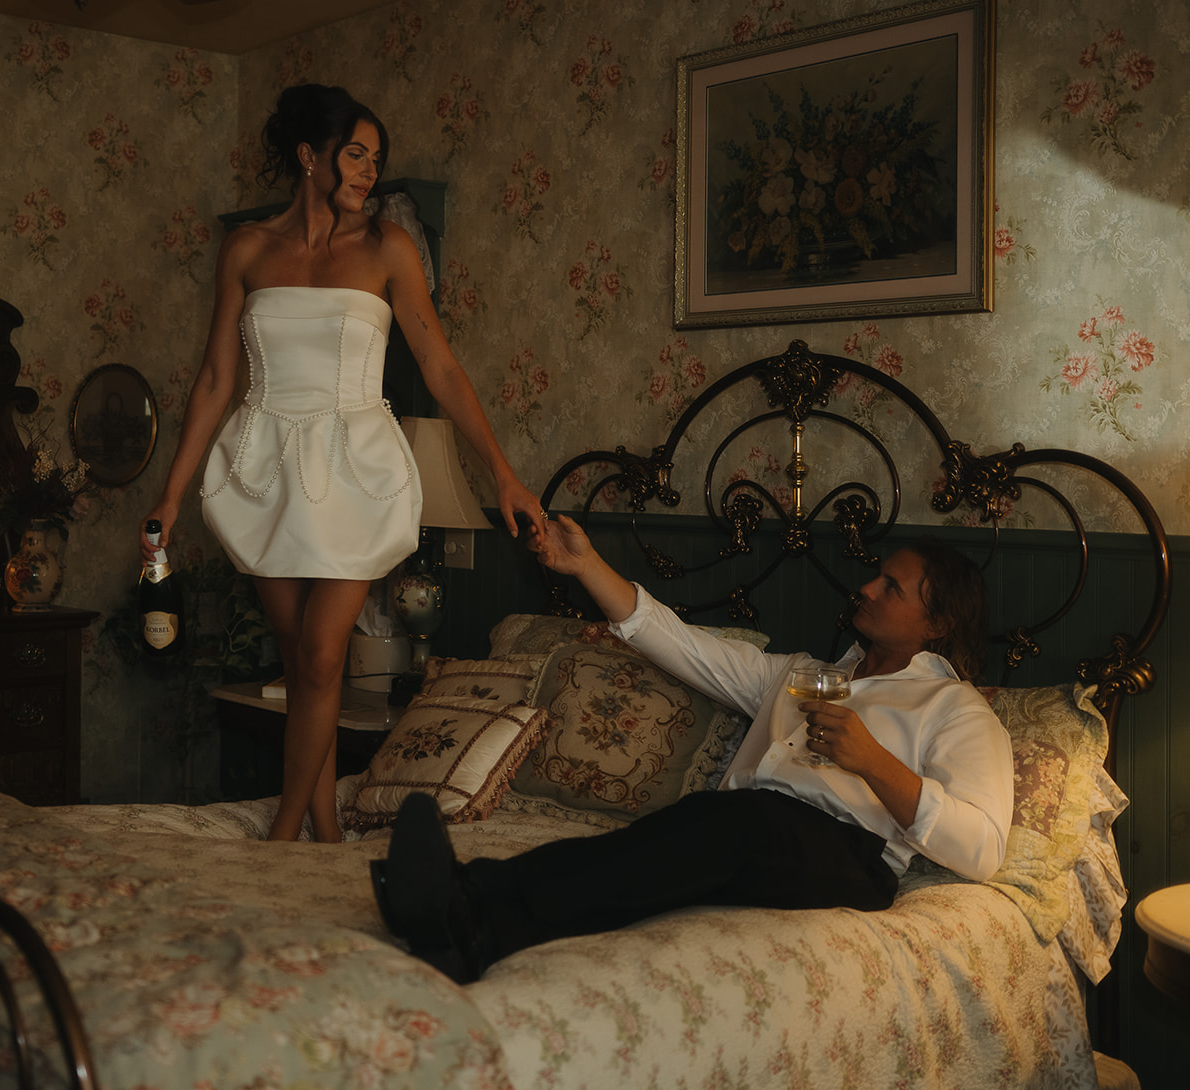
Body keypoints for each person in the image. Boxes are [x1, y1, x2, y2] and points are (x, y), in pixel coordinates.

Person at [141, 85, 543, 843]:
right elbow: (216, 380)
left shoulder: (387, 249)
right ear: (309, 156)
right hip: (267, 468)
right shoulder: (249, 250)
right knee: (302, 666)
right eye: (354, 154)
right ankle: (325, 831)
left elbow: (441, 366)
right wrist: (168, 494)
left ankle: (283, 833)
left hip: (355, 470)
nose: (368, 171)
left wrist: (504, 473)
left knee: (324, 655)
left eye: (375, 159)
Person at [371, 515, 1013, 982]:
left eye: (891, 587)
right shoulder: (799, 672)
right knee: (673, 843)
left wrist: (874, 762)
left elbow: (982, 847)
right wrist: (586, 564)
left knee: (727, 823)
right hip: (747, 826)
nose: (867, 589)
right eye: (876, 577)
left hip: (851, 855)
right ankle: (472, 924)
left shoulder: (954, 708)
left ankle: (468, 899)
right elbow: (680, 644)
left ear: (937, 624)